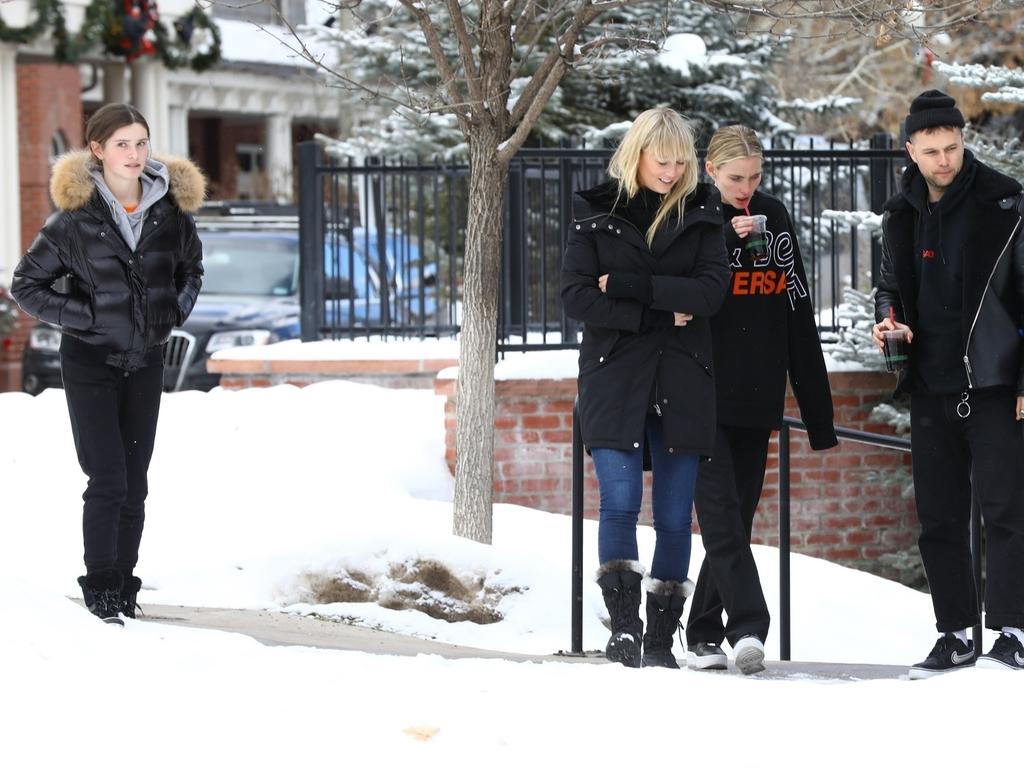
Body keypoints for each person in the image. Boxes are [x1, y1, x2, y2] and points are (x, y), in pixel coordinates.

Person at [12, 103, 205, 625]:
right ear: (97, 150)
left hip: (145, 360)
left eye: (141, 143)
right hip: (90, 360)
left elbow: (191, 269)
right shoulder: (75, 220)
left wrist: (170, 313)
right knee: (108, 477)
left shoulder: (169, 214)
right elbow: (26, 285)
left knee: (135, 481)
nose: (134, 154)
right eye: (122, 144)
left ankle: (124, 584)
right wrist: (87, 317)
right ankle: (100, 586)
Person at [561, 107, 730, 668]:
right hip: (615, 377)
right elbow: (577, 297)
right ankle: (625, 629)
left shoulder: (704, 211)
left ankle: (661, 641)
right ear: (638, 154)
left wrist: (631, 287)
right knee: (620, 503)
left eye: (682, 159)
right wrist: (662, 310)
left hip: (683, 379)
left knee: (677, 515)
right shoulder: (596, 213)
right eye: (664, 159)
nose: (674, 169)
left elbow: (708, 296)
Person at [873, 89, 1024, 676]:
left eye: (953, 147)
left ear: (965, 142)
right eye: (931, 150)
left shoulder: (1004, 204)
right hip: (930, 385)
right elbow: (890, 284)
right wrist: (889, 317)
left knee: (1006, 513)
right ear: (910, 149)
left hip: (993, 383)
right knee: (937, 517)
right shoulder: (902, 212)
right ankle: (956, 634)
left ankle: (1013, 632)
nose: (943, 160)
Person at [685, 125, 838, 675]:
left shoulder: (775, 219)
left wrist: (818, 414)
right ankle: (748, 626)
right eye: (735, 178)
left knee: (737, 520)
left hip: (757, 393)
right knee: (721, 516)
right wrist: (726, 242)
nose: (746, 188)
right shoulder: (692, 215)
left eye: (755, 176)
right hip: (699, 393)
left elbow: (796, 311)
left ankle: (701, 633)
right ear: (710, 171)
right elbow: (687, 293)